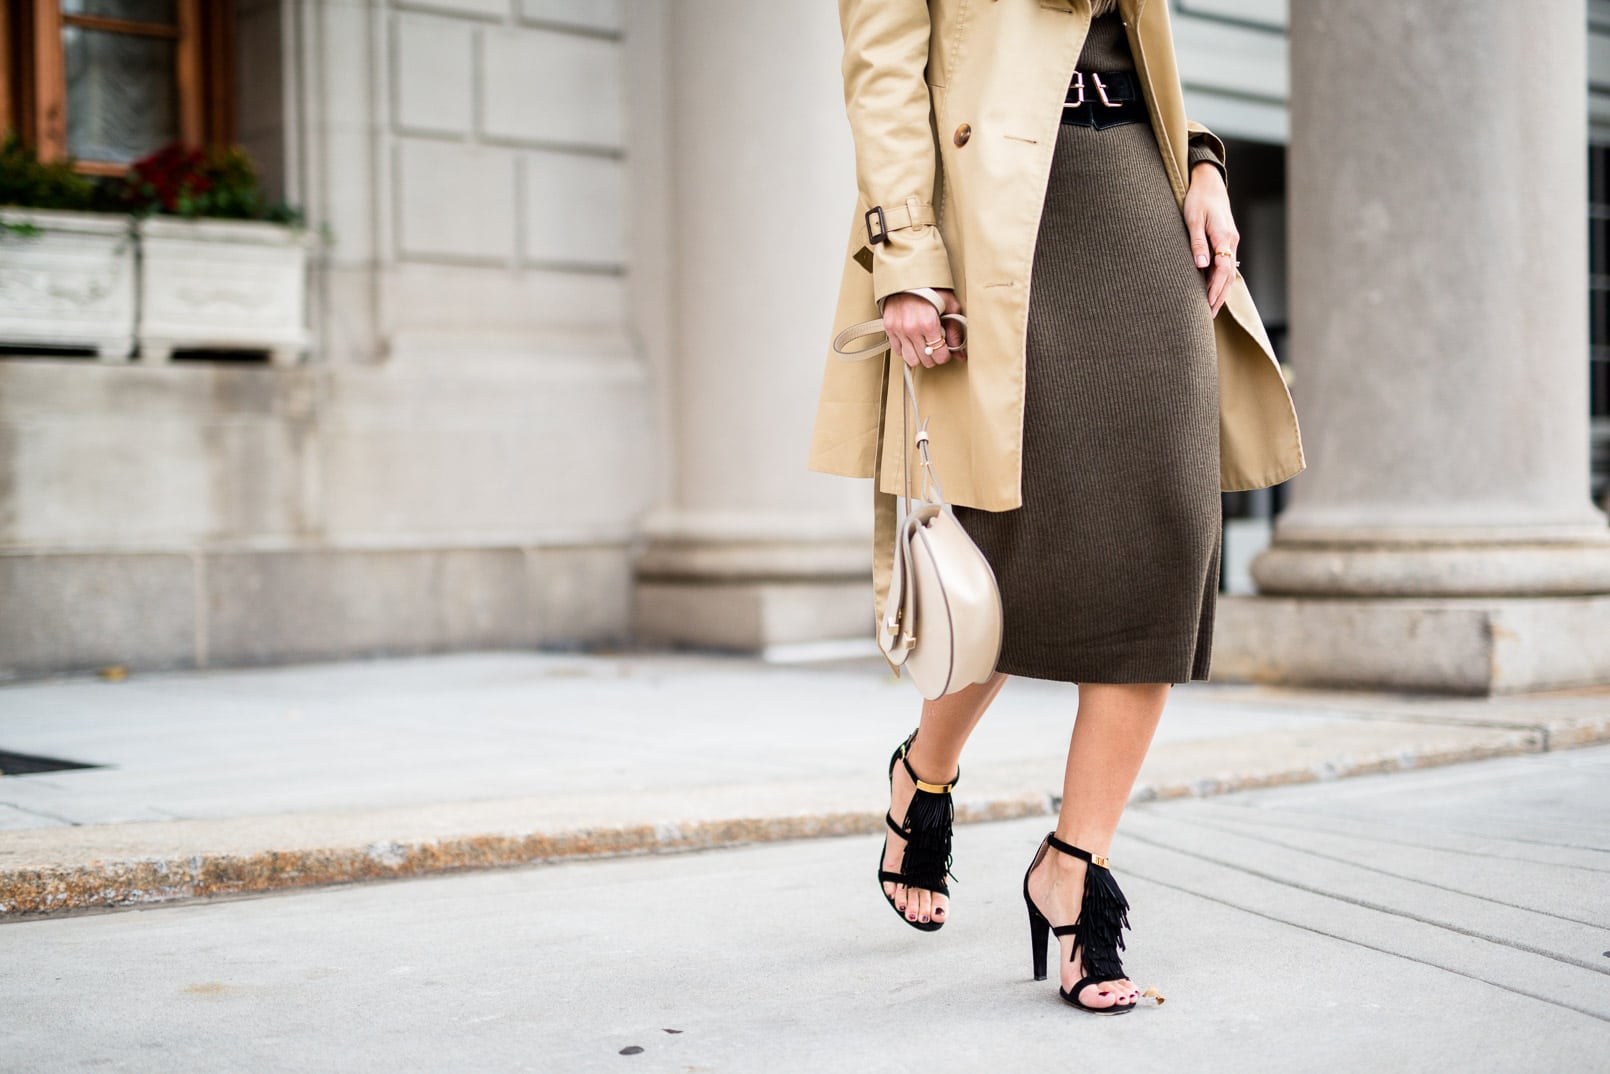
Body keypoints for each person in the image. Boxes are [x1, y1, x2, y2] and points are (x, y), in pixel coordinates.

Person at [808, 0, 1305, 1015]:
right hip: (997, 217)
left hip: (1132, 188)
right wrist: (903, 255)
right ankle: (923, 770)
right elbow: (882, 75)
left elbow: (1136, 51)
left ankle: (1075, 868)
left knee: (1166, 534)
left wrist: (1200, 163)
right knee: (1003, 551)